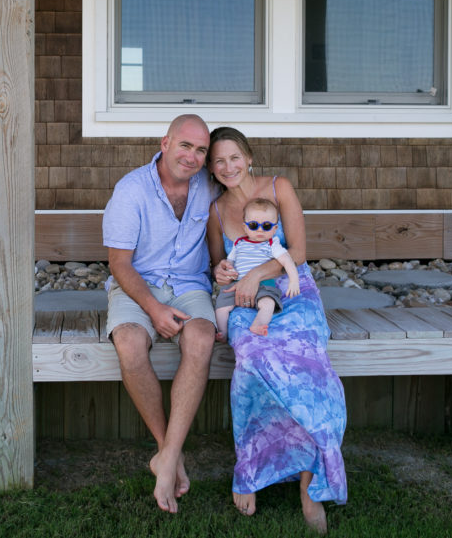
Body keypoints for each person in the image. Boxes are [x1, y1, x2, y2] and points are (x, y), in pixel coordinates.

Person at [207, 126, 347, 534]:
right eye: (219, 161)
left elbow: (298, 253)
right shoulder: (216, 211)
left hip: (293, 292)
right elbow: (218, 266)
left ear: (249, 157)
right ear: (211, 168)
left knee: (305, 361)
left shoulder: (278, 187)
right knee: (253, 359)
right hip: (245, 302)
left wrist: (259, 275)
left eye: (234, 157)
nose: (228, 166)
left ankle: (309, 482)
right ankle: (252, 467)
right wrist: (223, 272)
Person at [102, 113, 216, 514]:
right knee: (129, 342)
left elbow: (249, 191)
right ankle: (168, 450)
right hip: (139, 285)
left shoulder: (209, 185)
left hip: (189, 286)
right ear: (165, 143)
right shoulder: (131, 190)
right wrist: (153, 309)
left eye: (201, 150)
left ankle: (166, 458)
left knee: (201, 338)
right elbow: (119, 263)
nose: (192, 156)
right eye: (185, 145)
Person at [213, 197, 299, 339]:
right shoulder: (239, 243)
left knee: (268, 303)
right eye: (253, 225)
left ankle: (258, 324)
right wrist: (229, 269)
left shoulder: (272, 244)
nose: (260, 230)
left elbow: (287, 261)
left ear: (275, 228)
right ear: (245, 227)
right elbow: (230, 261)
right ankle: (222, 332)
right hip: (237, 284)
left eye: (266, 226)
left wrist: (294, 280)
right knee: (221, 306)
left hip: (264, 285)